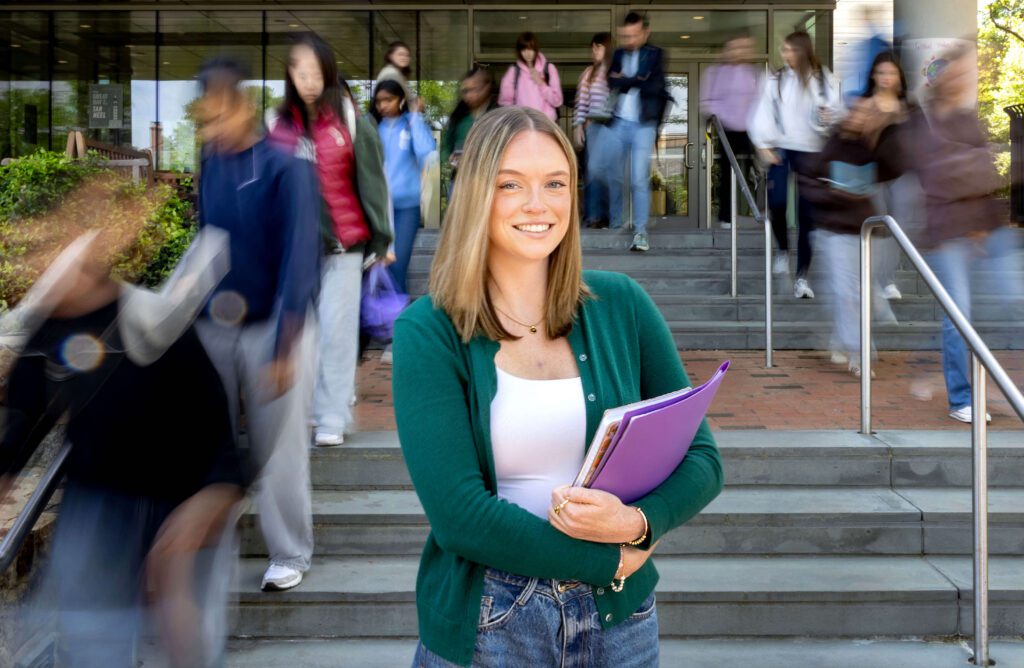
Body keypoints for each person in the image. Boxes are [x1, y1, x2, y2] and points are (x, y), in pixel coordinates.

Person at [392, 106, 723, 667]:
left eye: (555, 183)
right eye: (510, 185)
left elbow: (704, 458)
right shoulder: (429, 330)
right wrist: (608, 560)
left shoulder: (622, 304)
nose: (537, 204)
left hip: (622, 621)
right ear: (476, 195)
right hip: (492, 622)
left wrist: (639, 524)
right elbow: (457, 514)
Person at [0, 188, 245, 667]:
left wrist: (208, 502)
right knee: (94, 642)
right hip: (99, 501)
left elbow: (219, 431)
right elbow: (21, 425)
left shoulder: (153, 323)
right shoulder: (47, 330)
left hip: (180, 500)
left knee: (185, 639)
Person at [193, 56, 321, 593]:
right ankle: (210, 548)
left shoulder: (286, 167)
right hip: (215, 325)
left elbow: (300, 257)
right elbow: (207, 243)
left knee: (278, 443)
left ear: (243, 107)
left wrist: (288, 344)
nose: (213, 129)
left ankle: (289, 551)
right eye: (205, 119)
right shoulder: (209, 162)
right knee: (209, 440)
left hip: (278, 324)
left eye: (220, 116)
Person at [268, 34, 393, 447]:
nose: (308, 81)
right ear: (290, 75)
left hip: (343, 243)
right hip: (293, 248)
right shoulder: (276, 124)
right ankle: (306, 407)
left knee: (337, 331)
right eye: (300, 73)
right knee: (300, 331)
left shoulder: (347, 115)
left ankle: (332, 415)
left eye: (315, 73)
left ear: (327, 73)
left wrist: (382, 239)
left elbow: (373, 177)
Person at [917, 46, 1023, 423]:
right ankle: (961, 398)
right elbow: (942, 178)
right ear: (939, 77)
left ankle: (998, 383)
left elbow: (984, 175)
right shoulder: (926, 123)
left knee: (1015, 300)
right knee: (957, 317)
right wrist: (973, 169)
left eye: (967, 74)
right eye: (956, 73)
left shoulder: (967, 120)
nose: (963, 80)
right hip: (947, 232)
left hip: (985, 226)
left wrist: (973, 176)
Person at [796, 74, 903, 377]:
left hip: (868, 231)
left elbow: (895, 167)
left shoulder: (875, 147)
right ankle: (860, 352)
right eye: (856, 110)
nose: (860, 117)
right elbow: (807, 179)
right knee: (847, 293)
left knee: (863, 294)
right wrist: (833, 195)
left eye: (867, 113)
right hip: (835, 230)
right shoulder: (832, 143)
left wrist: (885, 128)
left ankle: (843, 340)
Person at [749, 31, 844, 299]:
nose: (785, 54)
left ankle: (802, 276)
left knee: (807, 216)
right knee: (777, 202)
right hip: (781, 149)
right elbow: (762, 112)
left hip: (812, 151)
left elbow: (836, 114)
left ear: (803, 51)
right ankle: (782, 249)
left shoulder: (824, 79)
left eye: (790, 50)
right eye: (784, 49)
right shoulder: (776, 79)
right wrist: (763, 145)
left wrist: (828, 118)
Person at [607, 12, 668, 253]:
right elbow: (611, 82)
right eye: (625, 36)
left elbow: (654, 85)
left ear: (645, 33)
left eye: (634, 35)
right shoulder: (619, 55)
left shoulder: (655, 54)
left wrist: (627, 81)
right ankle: (616, 221)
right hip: (620, 121)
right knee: (612, 172)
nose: (629, 40)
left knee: (638, 178)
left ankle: (640, 231)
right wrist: (637, 79)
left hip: (643, 123)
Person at [372, 78, 436, 295]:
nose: (382, 106)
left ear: (400, 100)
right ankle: (388, 316)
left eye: (388, 100)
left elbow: (426, 150)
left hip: (407, 207)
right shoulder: (374, 126)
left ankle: (395, 319)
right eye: (379, 101)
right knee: (381, 264)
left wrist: (416, 117)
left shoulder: (410, 123)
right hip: (379, 207)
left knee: (397, 263)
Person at [700, 33, 760, 229]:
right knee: (728, 174)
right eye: (734, 47)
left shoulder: (753, 72)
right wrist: (717, 115)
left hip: (751, 130)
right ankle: (726, 216)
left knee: (758, 170)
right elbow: (707, 102)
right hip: (728, 130)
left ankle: (761, 211)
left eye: (743, 47)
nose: (738, 52)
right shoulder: (716, 73)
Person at [573, 32, 613, 228]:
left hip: (612, 129)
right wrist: (578, 127)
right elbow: (581, 104)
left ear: (607, 48)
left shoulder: (615, 73)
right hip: (593, 128)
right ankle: (592, 216)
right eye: (593, 48)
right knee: (593, 172)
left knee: (609, 174)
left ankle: (607, 217)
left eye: (598, 47)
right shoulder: (588, 74)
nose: (594, 51)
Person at [442, 64, 498, 191]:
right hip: (460, 182)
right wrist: (451, 158)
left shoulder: (498, 115)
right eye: (465, 91)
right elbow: (446, 147)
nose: (469, 95)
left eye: (475, 89)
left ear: (487, 88)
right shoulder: (458, 116)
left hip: (489, 183)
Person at [498, 32, 563, 121]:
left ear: (536, 49)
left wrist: (541, 83)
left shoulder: (549, 69)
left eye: (530, 49)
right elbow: (505, 103)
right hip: (523, 125)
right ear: (519, 52)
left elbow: (557, 101)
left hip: (546, 124)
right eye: (524, 50)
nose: (527, 53)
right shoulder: (513, 72)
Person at [376, 40, 424, 112]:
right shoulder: (390, 74)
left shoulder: (398, 74)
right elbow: (391, 102)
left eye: (407, 55)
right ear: (390, 56)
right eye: (400, 54)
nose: (404, 57)